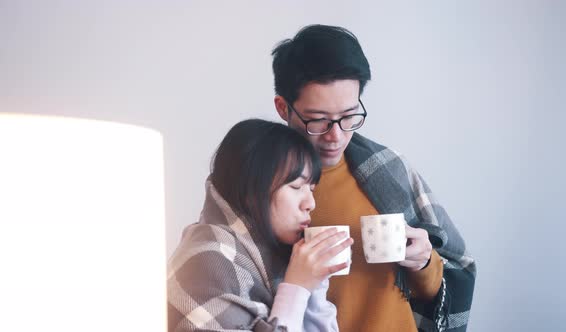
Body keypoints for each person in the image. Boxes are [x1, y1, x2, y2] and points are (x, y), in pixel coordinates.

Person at [271, 25, 476, 332]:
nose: (336, 135)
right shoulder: (259, 185)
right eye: (318, 120)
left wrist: (423, 262)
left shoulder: (389, 169)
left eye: (349, 115)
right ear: (283, 108)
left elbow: (447, 282)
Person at [167, 119, 353, 332]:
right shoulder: (208, 260)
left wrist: (315, 282)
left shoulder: (275, 256)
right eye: (296, 186)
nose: (310, 203)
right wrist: (296, 289)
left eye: (311, 189)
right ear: (252, 190)